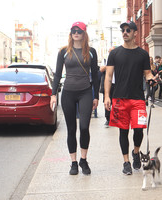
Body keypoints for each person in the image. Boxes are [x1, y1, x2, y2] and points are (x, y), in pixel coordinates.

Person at [104, 21, 158, 175]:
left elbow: (147, 73)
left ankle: (136, 152)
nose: (125, 32)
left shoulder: (142, 54)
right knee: (123, 131)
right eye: (123, 30)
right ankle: (126, 161)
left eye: (128, 30)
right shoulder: (114, 53)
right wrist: (107, 96)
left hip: (138, 99)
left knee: (139, 129)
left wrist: (151, 78)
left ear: (135, 33)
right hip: (119, 98)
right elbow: (108, 76)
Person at [50, 21, 99, 175]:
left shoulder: (91, 51)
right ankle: (73, 162)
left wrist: (96, 96)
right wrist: (53, 94)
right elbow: (57, 74)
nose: (76, 33)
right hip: (68, 93)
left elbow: (96, 75)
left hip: (85, 92)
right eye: (73, 30)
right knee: (71, 129)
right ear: (70, 33)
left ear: (84, 33)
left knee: (84, 127)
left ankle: (84, 160)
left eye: (79, 30)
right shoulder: (63, 52)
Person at [100, 47, 115, 127]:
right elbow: (101, 69)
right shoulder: (105, 60)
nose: (111, 53)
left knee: (117, 102)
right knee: (107, 101)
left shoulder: (119, 59)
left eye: (112, 51)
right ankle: (108, 119)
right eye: (110, 52)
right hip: (107, 84)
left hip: (117, 83)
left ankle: (115, 118)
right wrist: (110, 65)